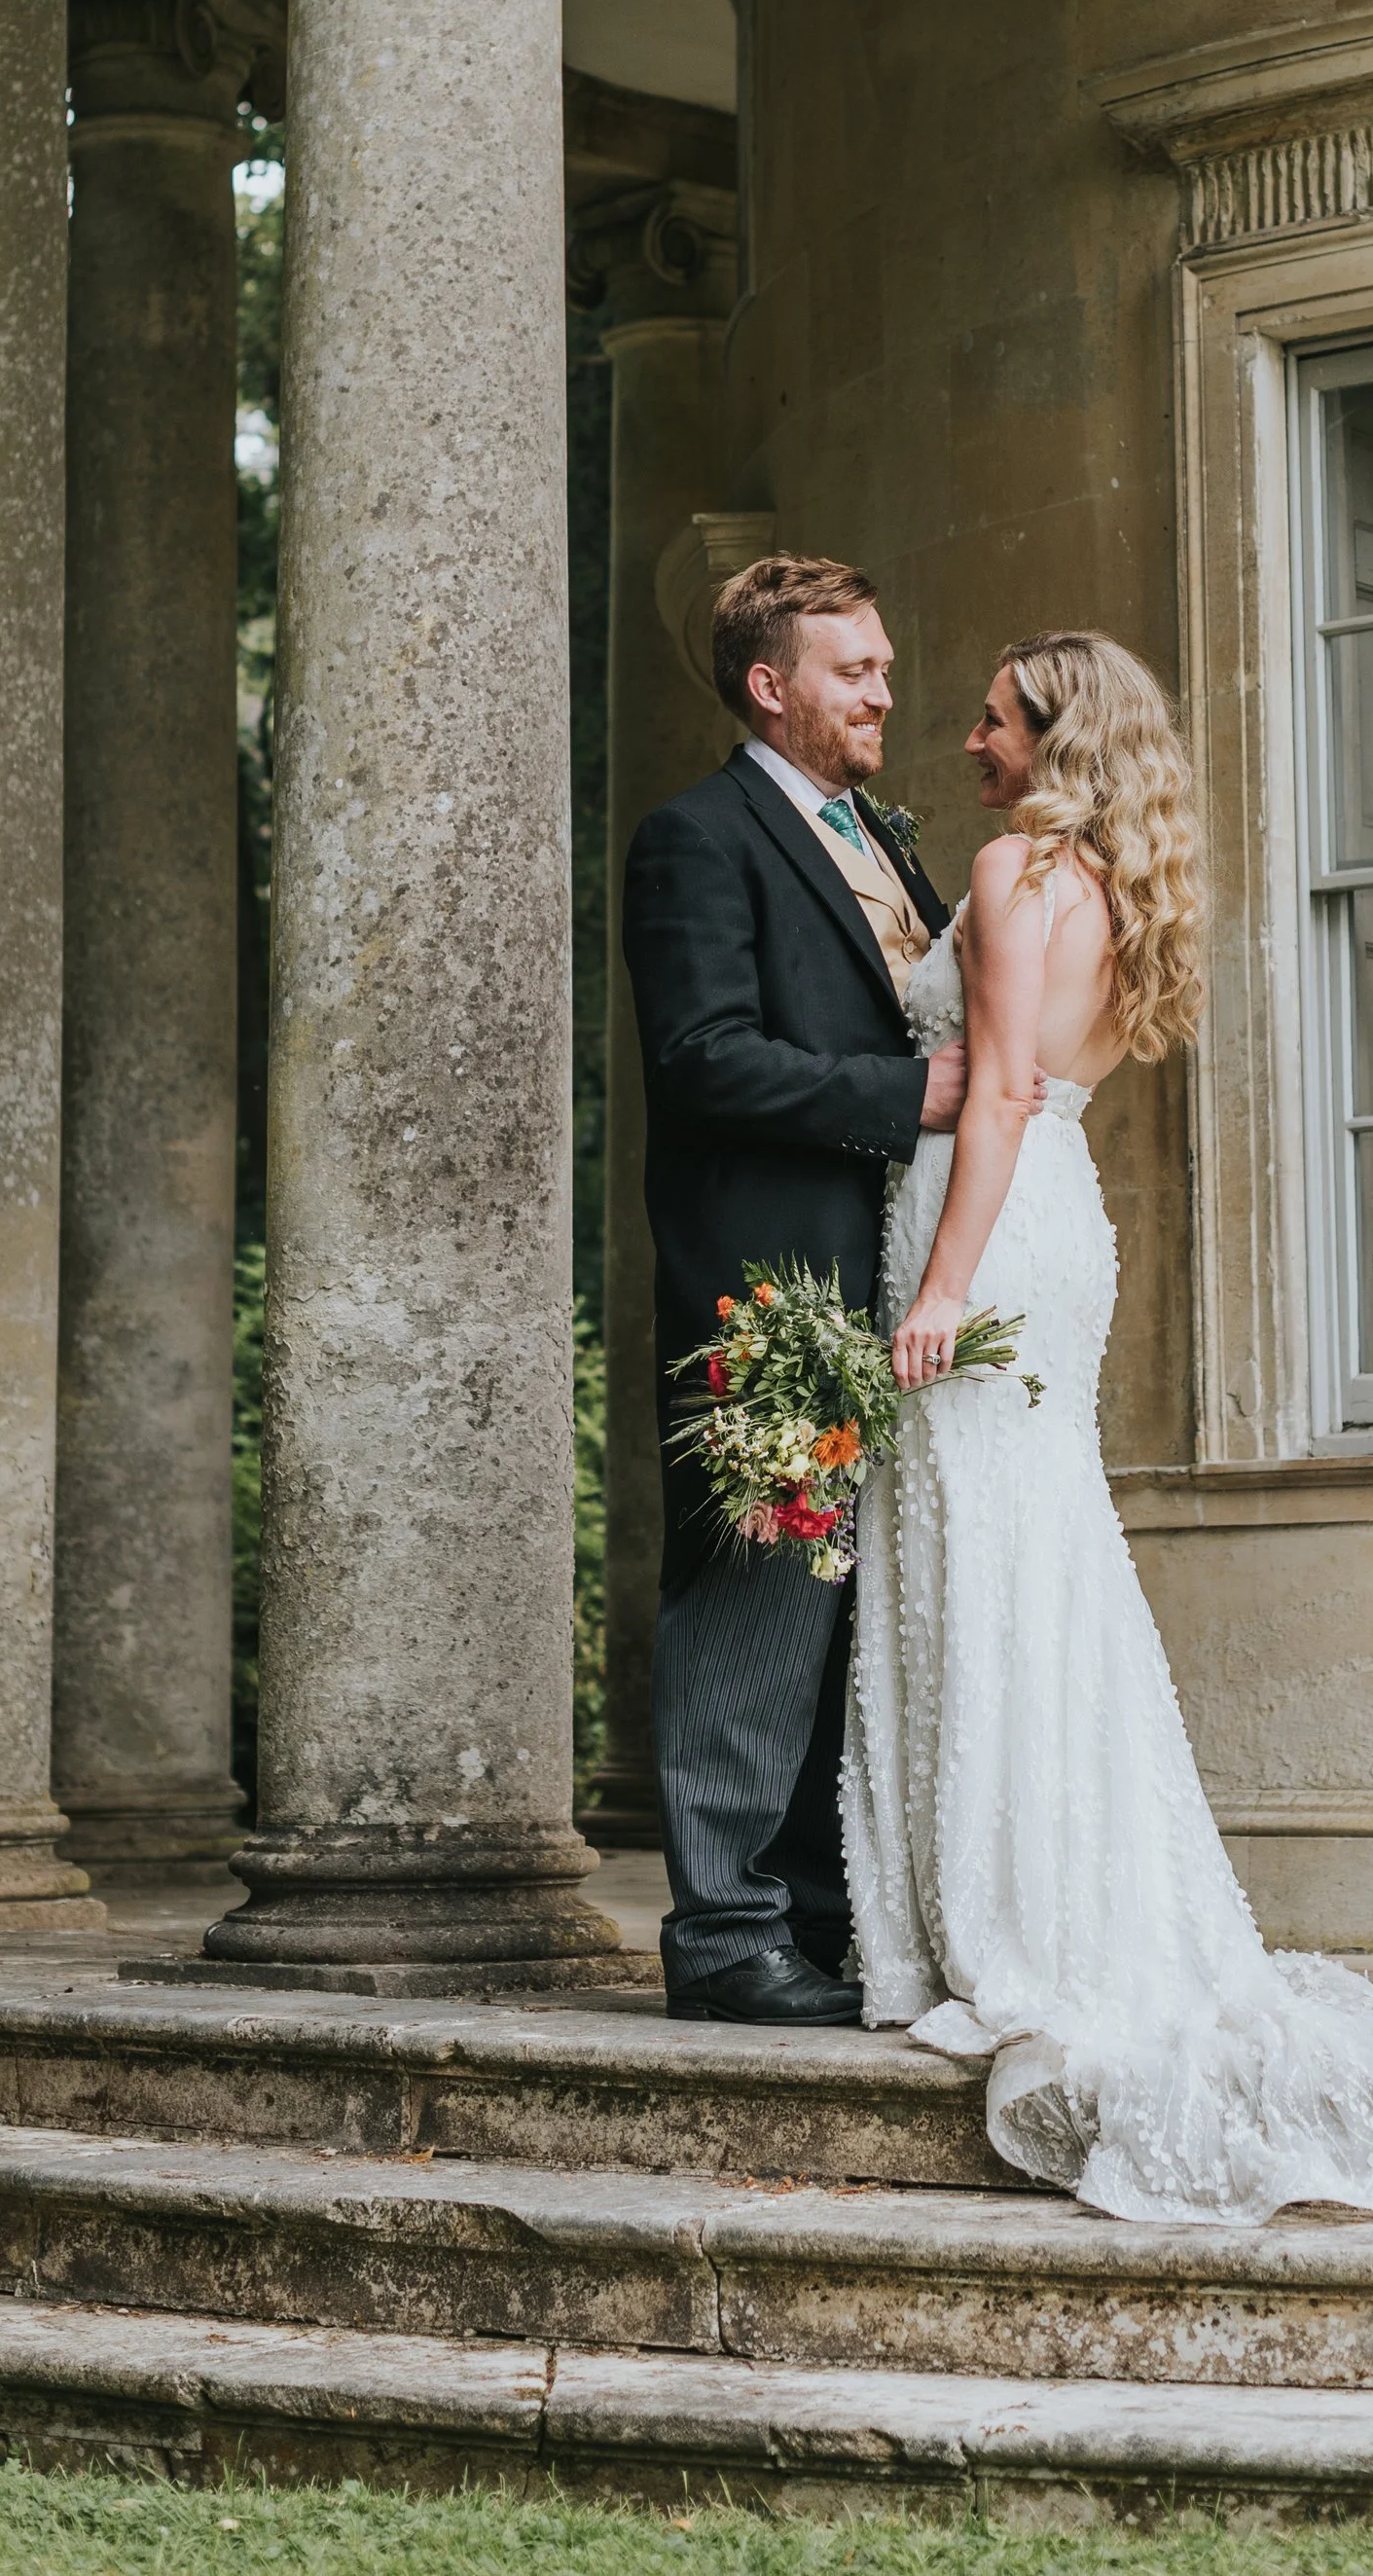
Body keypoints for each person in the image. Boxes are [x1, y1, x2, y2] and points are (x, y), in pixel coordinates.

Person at [844, 630, 1373, 2220]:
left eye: (990, 716)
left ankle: (999, 1924)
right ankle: (1062, 1896)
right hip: (1068, 1223)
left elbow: (990, 1092)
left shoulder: (1016, 867)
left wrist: (940, 1286)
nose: (968, 737)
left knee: (980, 1555)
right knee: (1038, 1553)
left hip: (988, 1223)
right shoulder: (1116, 887)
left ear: (1053, 738)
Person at [622, 555, 957, 2024]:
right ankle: (725, 1934)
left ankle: (821, 1917)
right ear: (772, 685)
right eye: (855, 668)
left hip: (880, 1282)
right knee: (754, 1598)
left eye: (884, 663)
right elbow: (702, 1058)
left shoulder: (878, 833)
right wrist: (908, 1094)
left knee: (845, 1606)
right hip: (766, 1289)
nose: (885, 688)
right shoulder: (695, 837)